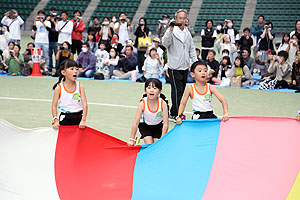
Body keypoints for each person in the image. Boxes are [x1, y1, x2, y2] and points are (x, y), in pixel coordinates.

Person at [162, 9, 197, 120]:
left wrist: (195, 64)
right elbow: (165, 43)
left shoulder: (187, 32)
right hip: (173, 67)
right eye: (180, 18)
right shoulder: (172, 31)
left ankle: (173, 112)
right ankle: (177, 114)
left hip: (184, 66)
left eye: (184, 18)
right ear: (176, 19)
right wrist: (170, 29)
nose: (182, 20)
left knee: (181, 91)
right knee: (177, 90)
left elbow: (191, 48)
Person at [127, 78, 168, 146]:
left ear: (159, 91)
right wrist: (132, 139)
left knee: (157, 145)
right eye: (149, 88)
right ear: (145, 91)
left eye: (155, 88)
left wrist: (162, 138)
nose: (151, 90)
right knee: (149, 145)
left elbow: (165, 124)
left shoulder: (163, 103)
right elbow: (136, 123)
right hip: (145, 126)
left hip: (158, 127)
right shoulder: (142, 103)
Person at [51, 59, 87, 129]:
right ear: (63, 72)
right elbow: (54, 106)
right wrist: (55, 120)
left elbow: (85, 105)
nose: (75, 71)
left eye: (77, 69)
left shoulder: (80, 86)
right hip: (65, 118)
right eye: (72, 69)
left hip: (78, 117)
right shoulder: (59, 88)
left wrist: (83, 120)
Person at [47, 7, 59, 72]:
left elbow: (58, 27)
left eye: (54, 11)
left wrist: (53, 21)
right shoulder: (47, 19)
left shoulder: (58, 19)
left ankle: (57, 67)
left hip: (56, 39)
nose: (53, 12)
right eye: (52, 11)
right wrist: (47, 19)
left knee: (57, 54)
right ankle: (50, 67)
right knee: (49, 55)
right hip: (48, 39)